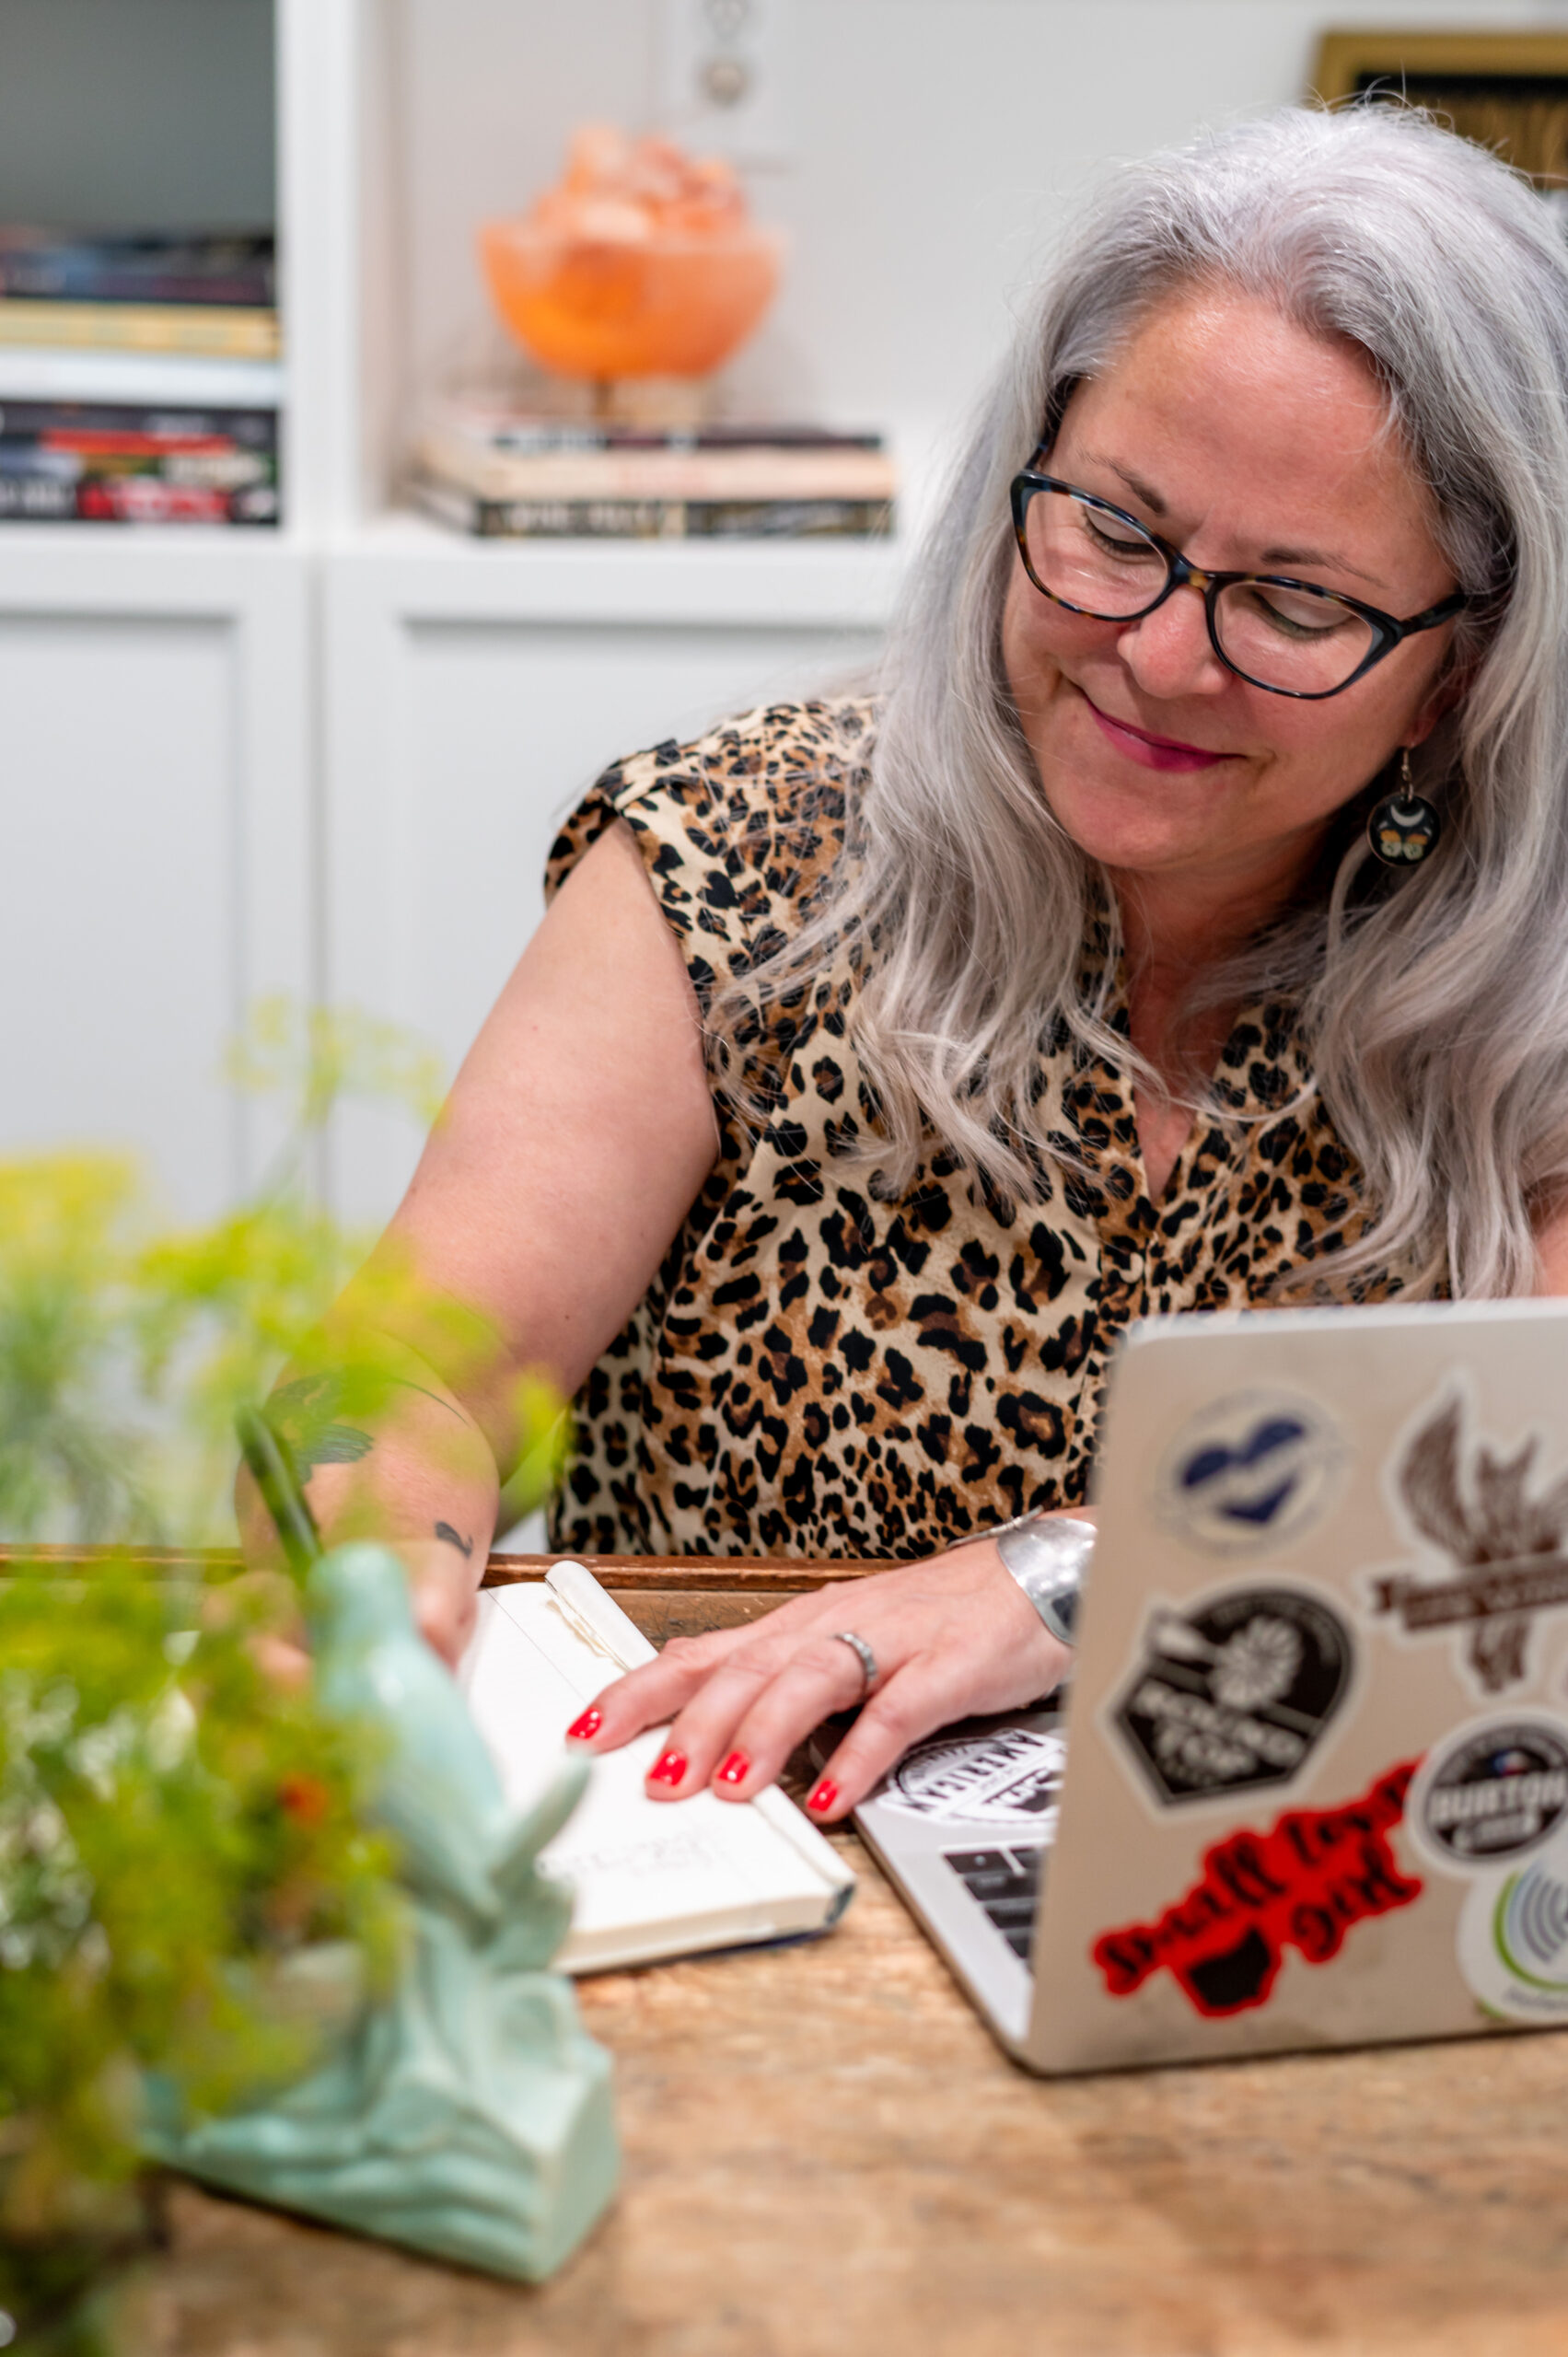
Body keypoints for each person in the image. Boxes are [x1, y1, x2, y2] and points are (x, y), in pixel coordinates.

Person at [252, 102, 1568, 1829]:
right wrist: (373, 1591)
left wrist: (1059, 1578)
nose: (1160, 657)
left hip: (1289, 1885)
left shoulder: (1525, 976)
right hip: (734, 1841)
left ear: (1465, 666)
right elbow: (399, 1379)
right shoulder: (734, 854)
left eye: (1295, 606)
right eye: (1111, 526)